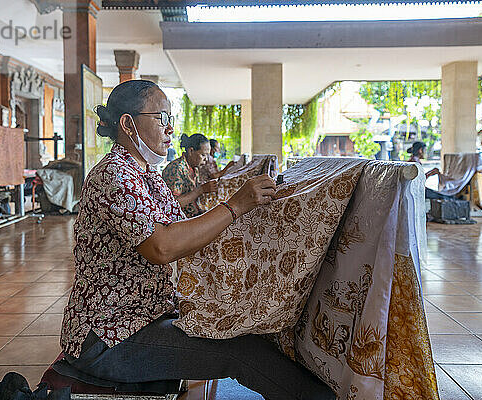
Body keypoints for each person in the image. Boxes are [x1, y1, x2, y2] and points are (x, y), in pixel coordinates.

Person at [60, 80, 334, 400]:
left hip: (144, 316)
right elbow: (163, 247)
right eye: (162, 118)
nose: (170, 129)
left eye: (171, 120)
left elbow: (186, 231)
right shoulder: (115, 174)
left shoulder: (147, 174)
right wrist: (235, 206)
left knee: (251, 326)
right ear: (128, 124)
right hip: (110, 337)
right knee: (243, 352)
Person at [162, 133, 218, 218]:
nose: (206, 159)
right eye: (203, 155)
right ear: (191, 151)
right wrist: (200, 190)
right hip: (179, 222)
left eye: (207, 155)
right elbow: (172, 205)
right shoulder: (176, 169)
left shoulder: (194, 167)